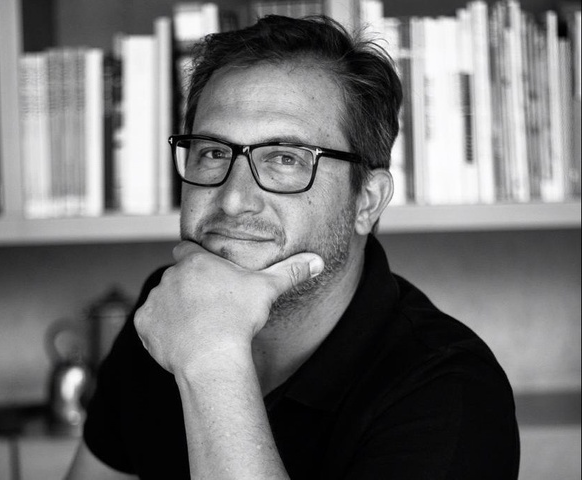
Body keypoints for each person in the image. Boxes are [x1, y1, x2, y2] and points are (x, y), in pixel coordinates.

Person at [65, 14, 520, 480]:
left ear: (367, 200)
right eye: (214, 152)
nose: (235, 198)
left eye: (285, 158)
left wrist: (213, 363)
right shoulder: (169, 306)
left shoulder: (452, 394)